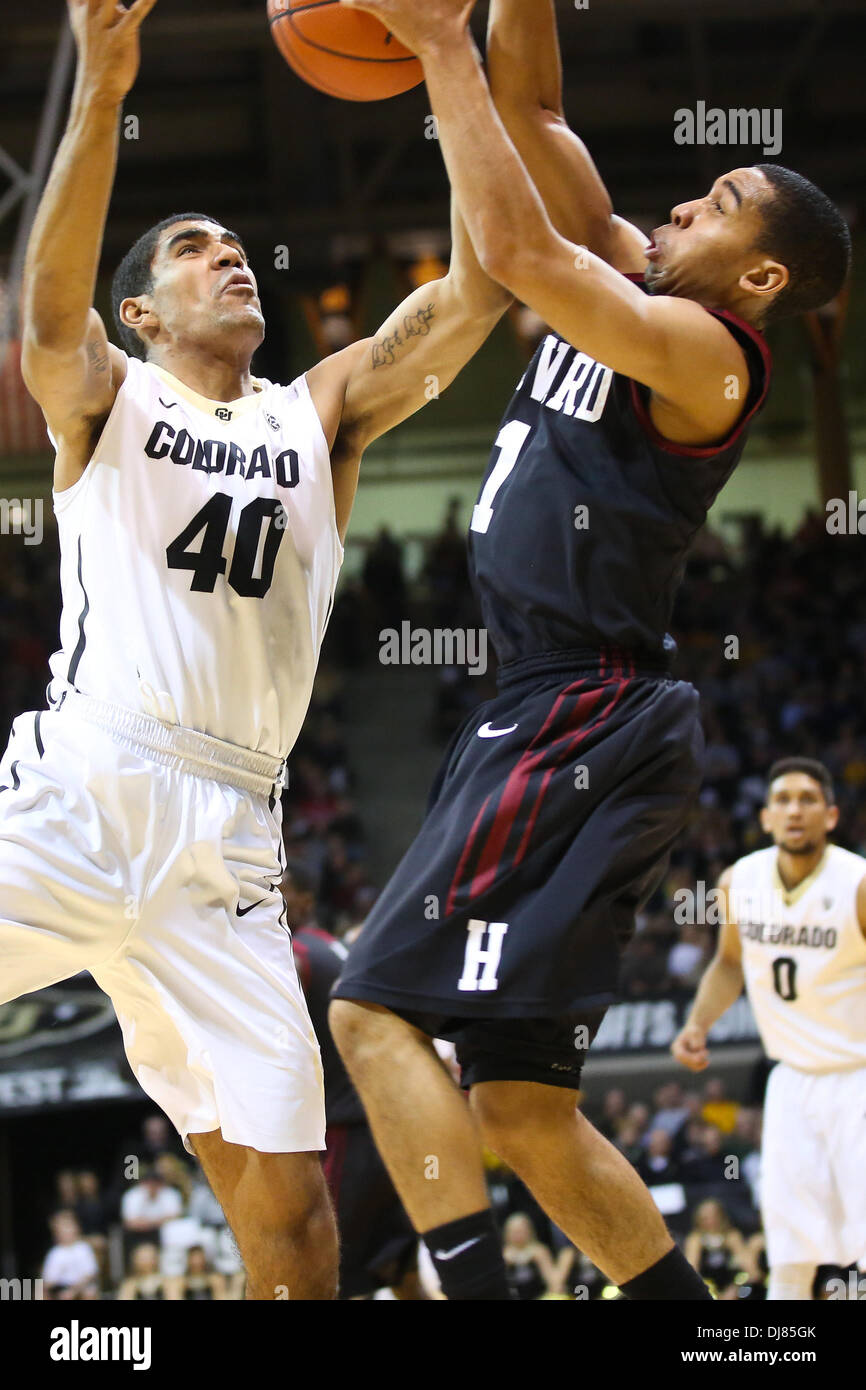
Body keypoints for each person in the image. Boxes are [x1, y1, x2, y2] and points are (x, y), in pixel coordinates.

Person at [330, 0, 851, 1301]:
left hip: (578, 711)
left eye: (717, 199)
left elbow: (508, 243)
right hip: (564, 711)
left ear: (761, 275)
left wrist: (435, 43)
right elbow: (540, 119)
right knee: (518, 1107)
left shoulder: (704, 352)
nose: (679, 203)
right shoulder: (636, 278)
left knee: (366, 1007)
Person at [2, 0, 510, 1300]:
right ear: (143, 307)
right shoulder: (111, 391)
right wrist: (105, 83)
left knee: (290, 1216)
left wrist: (451, 58)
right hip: (89, 782)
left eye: (236, 244)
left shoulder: (318, 408)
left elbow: (471, 295)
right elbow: (46, 321)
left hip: (232, 834)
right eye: (192, 247)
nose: (229, 256)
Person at [673, 758, 866, 1300]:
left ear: (831, 816)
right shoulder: (740, 880)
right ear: (764, 817)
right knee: (789, 1246)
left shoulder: (857, 884)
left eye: (808, 799)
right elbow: (730, 962)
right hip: (789, 1083)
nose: (794, 810)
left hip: (859, 1077)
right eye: (782, 799)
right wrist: (697, 1023)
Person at [282, 862, 424, 1300]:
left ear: (303, 898)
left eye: (277, 888)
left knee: (321, 1269)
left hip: (348, 1132)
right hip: (393, 1129)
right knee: (399, 1267)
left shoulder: (297, 954)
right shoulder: (341, 949)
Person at [42, 1210, 100, 1301]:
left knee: (88, 1293)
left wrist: (73, 1291)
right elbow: (48, 1280)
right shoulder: (54, 1253)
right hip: (61, 1290)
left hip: (81, 1289)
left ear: (76, 1228)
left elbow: (90, 1275)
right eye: (61, 1229)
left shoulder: (83, 1248)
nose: (65, 1232)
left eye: (68, 1227)